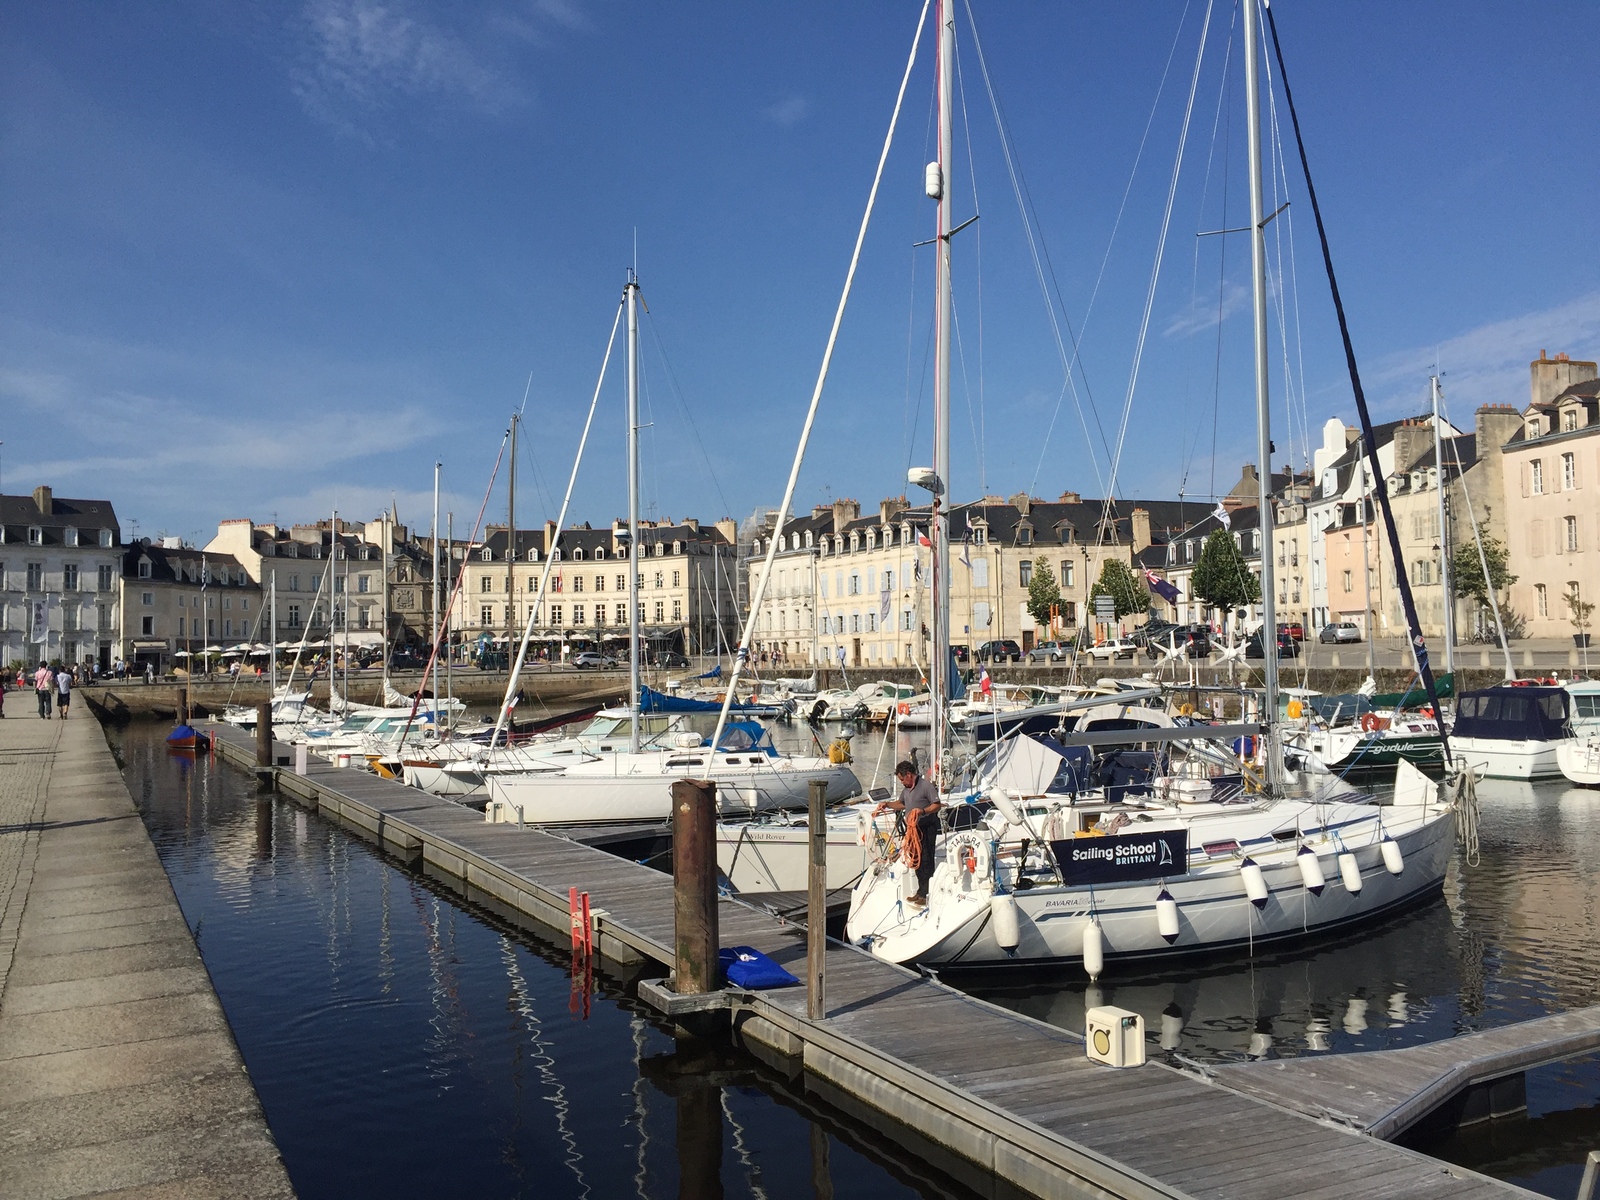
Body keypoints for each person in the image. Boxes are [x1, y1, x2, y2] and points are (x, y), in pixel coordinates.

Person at [873, 759, 942, 906]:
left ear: (909, 775)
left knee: (926, 859)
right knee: (915, 859)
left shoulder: (926, 786)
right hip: (913, 829)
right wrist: (887, 804)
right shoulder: (906, 789)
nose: (902, 782)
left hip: (927, 827)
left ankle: (927, 892)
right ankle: (920, 891)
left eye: (902, 779)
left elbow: (937, 805)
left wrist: (922, 811)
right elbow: (902, 804)